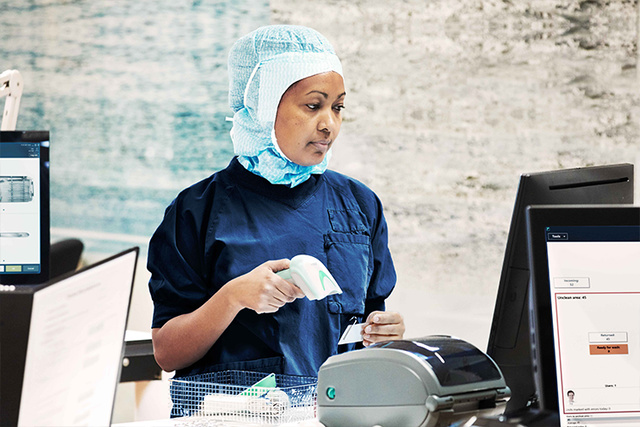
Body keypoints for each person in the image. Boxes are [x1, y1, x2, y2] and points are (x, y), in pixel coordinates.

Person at [147, 25, 405, 380]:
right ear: (263, 106)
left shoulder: (359, 205)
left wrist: (384, 334)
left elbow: (369, 321)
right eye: (313, 105)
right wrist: (233, 297)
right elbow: (167, 352)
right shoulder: (197, 211)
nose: (329, 124)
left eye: (338, 107)